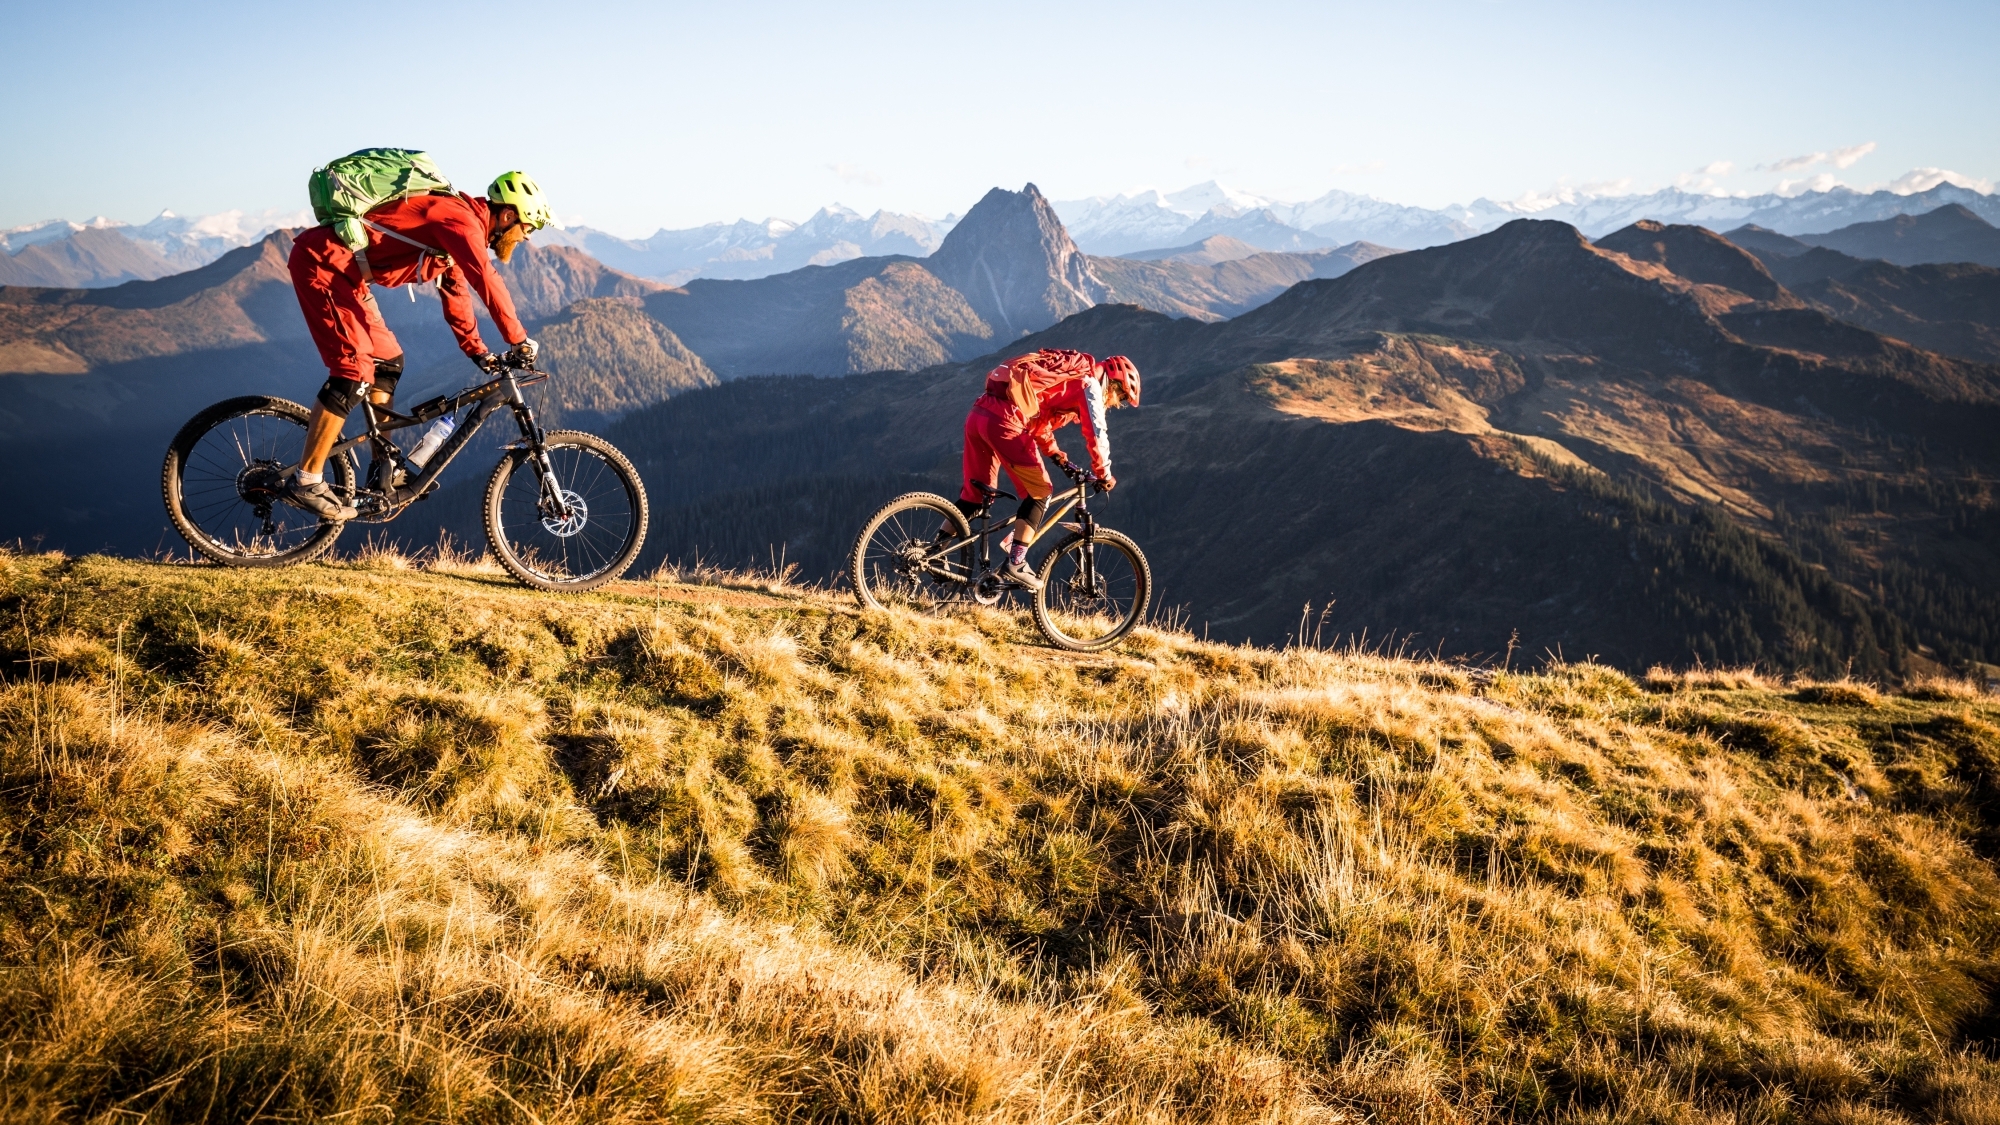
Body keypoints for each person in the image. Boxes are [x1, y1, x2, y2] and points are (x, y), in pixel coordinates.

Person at [281, 171, 552, 520]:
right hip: (323, 266)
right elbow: (485, 277)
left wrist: (477, 350)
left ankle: (383, 468)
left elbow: (456, 292)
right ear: (508, 215)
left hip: (348, 277)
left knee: (387, 361)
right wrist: (518, 338)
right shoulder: (460, 219)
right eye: (528, 227)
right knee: (354, 370)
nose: (527, 237)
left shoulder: (461, 228)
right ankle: (307, 480)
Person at [957, 348, 1141, 590]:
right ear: (1113, 384)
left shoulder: (1067, 379)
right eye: (1121, 397)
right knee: (1041, 492)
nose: (1116, 404)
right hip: (1005, 422)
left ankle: (927, 553)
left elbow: (1039, 421)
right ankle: (1016, 563)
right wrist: (1104, 473)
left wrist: (1058, 457)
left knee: (975, 497)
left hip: (980, 413)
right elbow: (1096, 433)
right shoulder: (1089, 385)